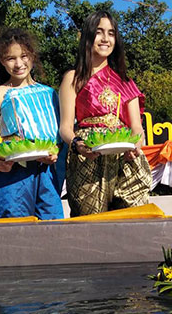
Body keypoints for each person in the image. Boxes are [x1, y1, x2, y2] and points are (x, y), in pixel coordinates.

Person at [59, 11, 152, 217]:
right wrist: (78, 144)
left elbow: (137, 127)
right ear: (88, 36)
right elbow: (65, 127)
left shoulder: (125, 81)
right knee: (90, 223)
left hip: (124, 156)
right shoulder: (74, 78)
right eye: (99, 32)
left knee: (132, 219)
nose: (105, 39)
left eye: (111, 33)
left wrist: (136, 145)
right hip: (88, 157)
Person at [0, 28, 65, 220]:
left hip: (46, 174)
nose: (19, 64)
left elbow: (59, 138)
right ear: (2, 60)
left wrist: (55, 153)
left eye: (24, 56)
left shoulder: (50, 93)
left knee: (53, 228)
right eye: (11, 58)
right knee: (13, 230)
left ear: (33, 56)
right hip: (12, 175)